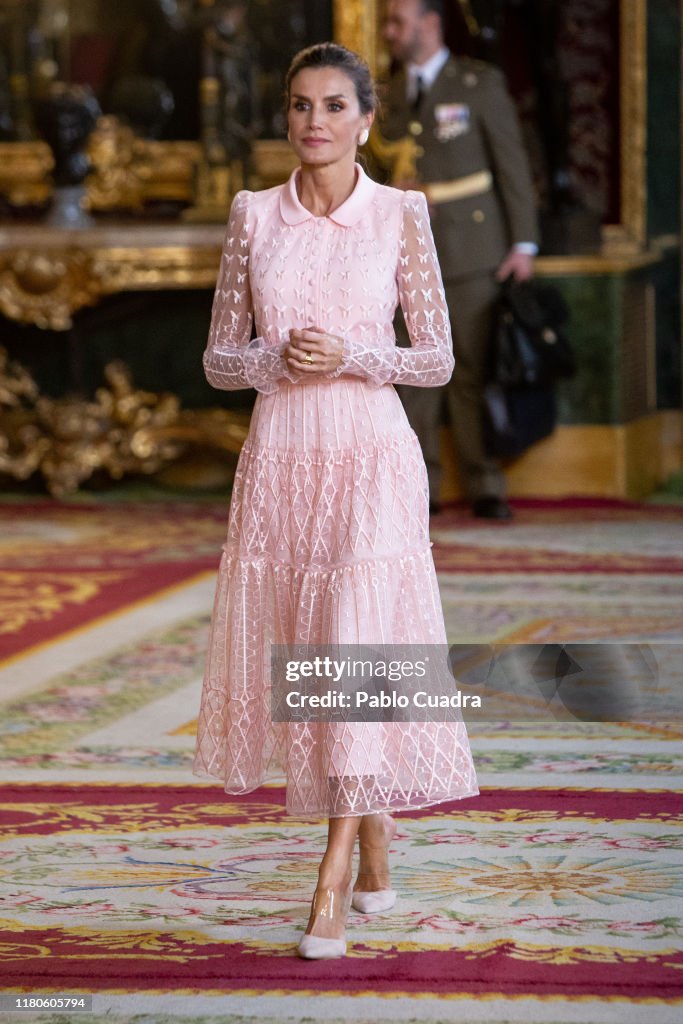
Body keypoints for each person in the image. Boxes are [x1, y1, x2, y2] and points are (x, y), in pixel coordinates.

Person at [193, 41, 478, 960]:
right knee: (314, 655)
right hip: (281, 461)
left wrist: (354, 355)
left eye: (332, 106)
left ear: (366, 119)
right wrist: (275, 359)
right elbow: (217, 357)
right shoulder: (252, 217)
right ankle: (377, 837)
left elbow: (433, 357)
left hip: (370, 458)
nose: (313, 122)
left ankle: (331, 881)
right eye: (300, 106)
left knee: (357, 647)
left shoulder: (401, 213)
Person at [380, 0, 540, 519]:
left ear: (430, 24)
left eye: (397, 22)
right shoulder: (385, 93)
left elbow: (510, 162)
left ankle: (485, 485)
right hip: (407, 254)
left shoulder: (477, 83)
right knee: (414, 376)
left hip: (474, 252)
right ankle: (419, 489)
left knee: (472, 371)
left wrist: (524, 243)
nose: (389, 32)